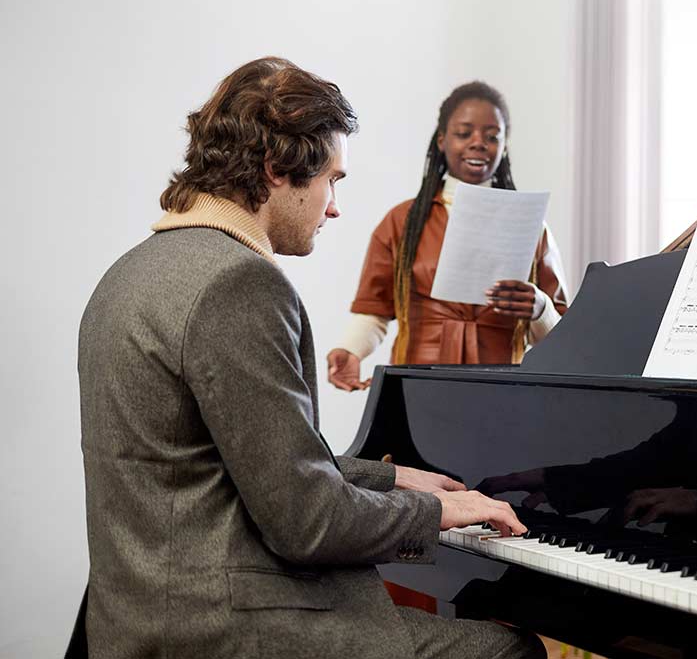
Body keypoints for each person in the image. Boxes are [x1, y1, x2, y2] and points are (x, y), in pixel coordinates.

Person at [77, 57, 543, 659]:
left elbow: (243, 461)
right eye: (332, 180)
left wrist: (393, 476)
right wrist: (435, 512)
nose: (333, 208)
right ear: (277, 170)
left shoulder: (132, 271)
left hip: (137, 614)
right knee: (511, 650)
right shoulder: (237, 284)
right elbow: (307, 523)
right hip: (222, 626)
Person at [326, 82, 569, 391]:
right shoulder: (403, 221)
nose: (478, 143)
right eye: (464, 133)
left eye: (492, 136)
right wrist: (351, 350)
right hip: (417, 386)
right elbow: (374, 311)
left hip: (504, 389)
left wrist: (540, 308)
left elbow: (564, 338)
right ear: (442, 140)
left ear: (504, 145)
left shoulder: (533, 227)